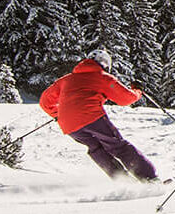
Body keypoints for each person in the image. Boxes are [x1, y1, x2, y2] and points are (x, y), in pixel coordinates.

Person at [38, 49, 160, 182]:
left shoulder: (67, 79)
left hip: (69, 125)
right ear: (106, 64)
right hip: (91, 117)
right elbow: (125, 99)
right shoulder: (103, 77)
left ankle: (123, 181)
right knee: (118, 146)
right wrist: (137, 91)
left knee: (96, 148)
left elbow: (45, 101)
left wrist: (58, 114)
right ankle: (149, 179)